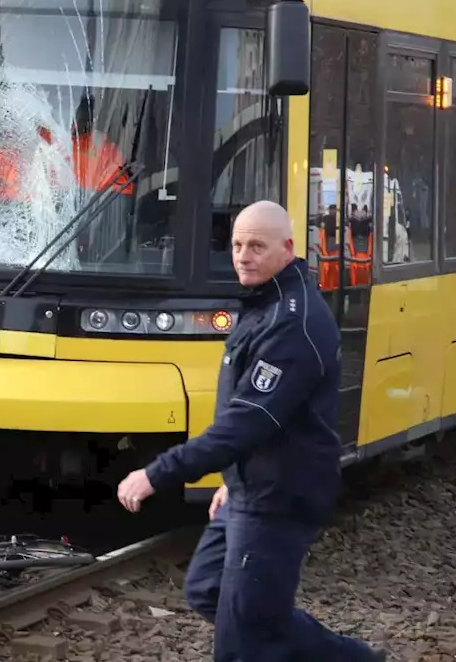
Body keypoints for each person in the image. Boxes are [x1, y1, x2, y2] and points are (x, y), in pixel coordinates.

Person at [116, 200, 384, 661]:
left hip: (279, 497)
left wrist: (158, 473)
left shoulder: (293, 324)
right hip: (251, 488)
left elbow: (248, 420)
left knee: (241, 639)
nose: (243, 255)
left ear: (288, 248)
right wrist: (230, 478)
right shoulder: (266, 303)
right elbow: (249, 418)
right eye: (238, 244)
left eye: (257, 246)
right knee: (209, 590)